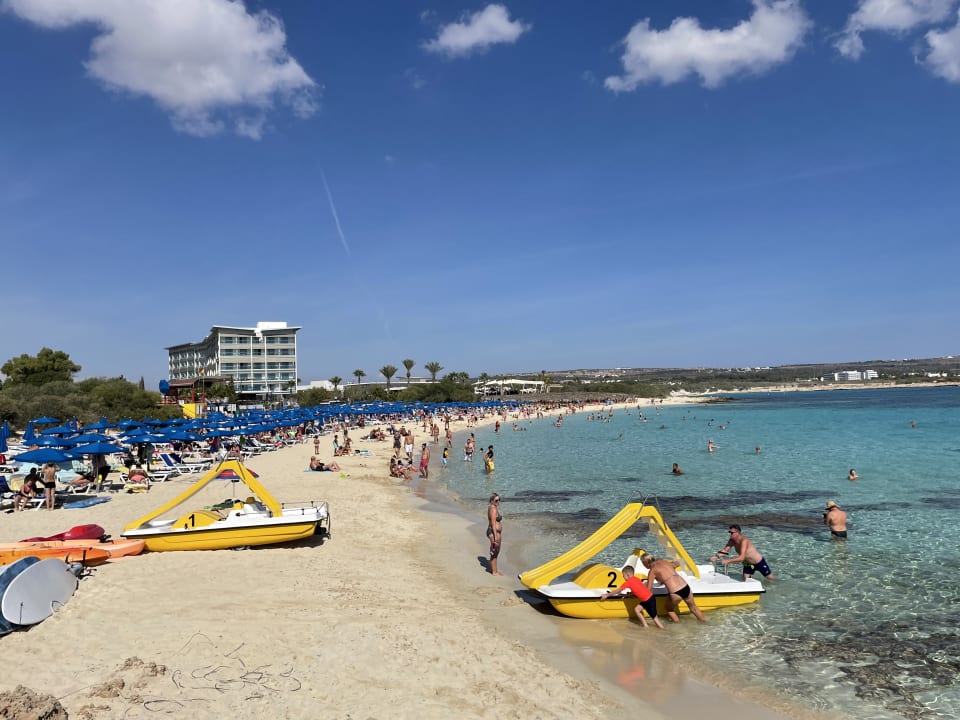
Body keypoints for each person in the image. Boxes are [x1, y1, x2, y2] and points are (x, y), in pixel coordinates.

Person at [640, 553, 705, 622]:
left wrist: (634, 593)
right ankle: (705, 623)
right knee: (694, 608)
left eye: (643, 563)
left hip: (675, 592)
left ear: (646, 562)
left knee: (669, 609)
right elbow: (676, 564)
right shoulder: (662, 560)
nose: (644, 565)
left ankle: (678, 626)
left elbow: (648, 590)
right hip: (685, 587)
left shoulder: (652, 571)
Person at [600, 565, 664, 629]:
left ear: (628, 575)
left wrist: (606, 595)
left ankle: (662, 630)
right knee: (637, 609)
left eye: (623, 575)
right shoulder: (636, 579)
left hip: (649, 600)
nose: (623, 577)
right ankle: (645, 626)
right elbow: (638, 589)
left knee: (655, 618)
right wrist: (630, 594)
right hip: (648, 599)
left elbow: (618, 590)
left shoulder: (628, 582)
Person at [486, 493, 503, 575]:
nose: (498, 502)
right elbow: (493, 523)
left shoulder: (493, 507)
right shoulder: (493, 509)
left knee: (495, 552)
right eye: (496, 500)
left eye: (499, 500)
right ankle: (494, 572)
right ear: (492, 501)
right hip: (493, 532)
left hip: (494, 532)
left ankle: (494, 570)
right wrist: (496, 536)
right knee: (495, 552)